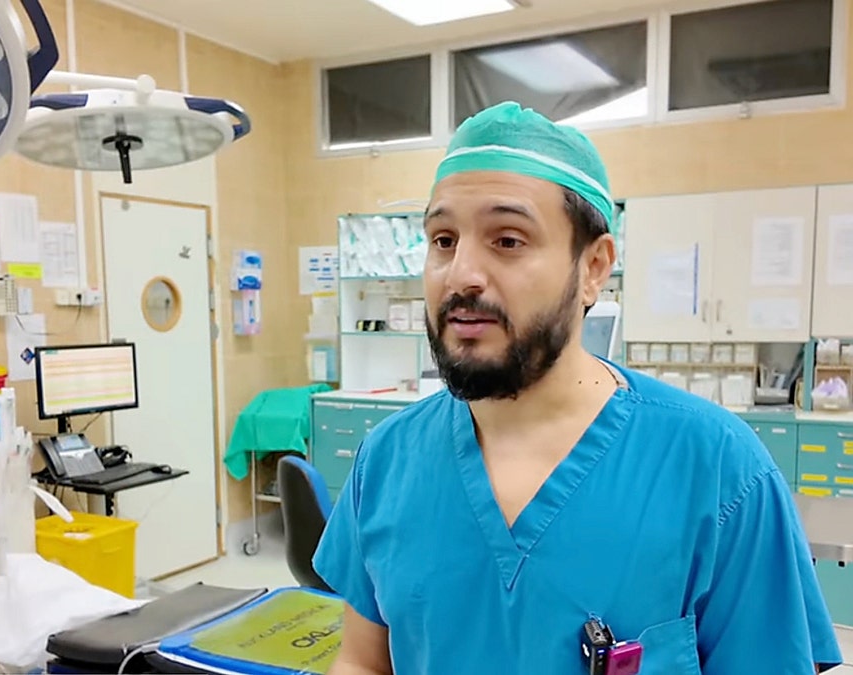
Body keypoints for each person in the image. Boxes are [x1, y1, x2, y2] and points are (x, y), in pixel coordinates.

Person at [312, 101, 841, 674]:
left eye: (507, 239)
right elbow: (362, 662)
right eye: (443, 239)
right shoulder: (387, 460)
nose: (461, 273)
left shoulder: (717, 470)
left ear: (594, 268)